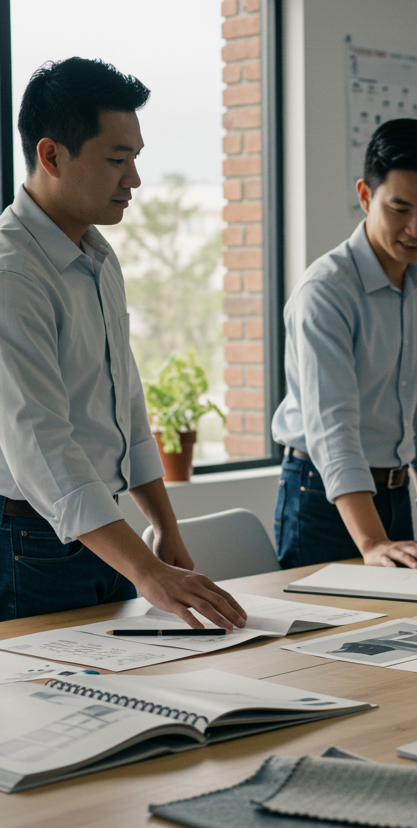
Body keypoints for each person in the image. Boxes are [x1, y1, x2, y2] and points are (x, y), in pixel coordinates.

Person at [0, 57, 246, 629]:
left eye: (135, 159)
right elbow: (41, 446)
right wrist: (145, 569)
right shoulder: (13, 273)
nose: (133, 180)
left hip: (104, 530)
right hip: (31, 541)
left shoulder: (97, 257)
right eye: (117, 160)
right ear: (51, 155)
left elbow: (125, 403)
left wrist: (163, 524)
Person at [271, 119, 417, 570]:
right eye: (400, 208)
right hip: (322, 497)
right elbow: (333, 427)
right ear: (366, 196)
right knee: (322, 635)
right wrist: (371, 541)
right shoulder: (325, 292)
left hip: (395, 491)